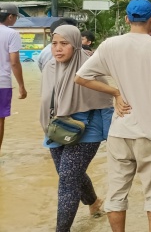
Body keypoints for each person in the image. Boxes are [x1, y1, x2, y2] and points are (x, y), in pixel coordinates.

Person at [74, 0, 151, 232]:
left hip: (120, 130)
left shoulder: (110, 45)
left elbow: (80, 78)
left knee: (117, 193)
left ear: (127, 19)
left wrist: (115, 92)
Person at [40, 25, 113, 231]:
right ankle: (94, 202)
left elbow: (106, 102)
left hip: (87, 130)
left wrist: (113, 140)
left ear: (75, 45)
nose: (58, 49)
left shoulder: (90, 67)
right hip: (56, 128)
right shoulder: (49, 67)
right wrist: (46, 127)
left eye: (64, 44)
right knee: (68, 174)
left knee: (67, 181)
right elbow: (46, 102)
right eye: (54, 44)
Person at [0, 3, 27, 154]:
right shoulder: (11, 34)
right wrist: (21, 86)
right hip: (1, 83)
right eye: (16, 17)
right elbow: (14, 62)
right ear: (10, 16)